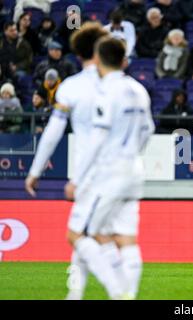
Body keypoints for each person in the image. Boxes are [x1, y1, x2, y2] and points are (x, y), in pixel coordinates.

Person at [25, 22, 129, 301]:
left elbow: (53, 132)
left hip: (88, 172)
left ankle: (118, 290)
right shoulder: (120, 84)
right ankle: (76, 293)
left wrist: (35, 170)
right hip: (121, 169)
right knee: (93, 234)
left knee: (80, 235)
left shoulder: (71, 87)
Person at [63, 35, 154, 299]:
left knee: (77, 234)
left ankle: (117, 291)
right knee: (125, 238)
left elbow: (96, 140)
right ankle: (129, 293)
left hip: (110, 172)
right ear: (123, 60)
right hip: (134, 171)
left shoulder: (106, 91)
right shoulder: (139, 89)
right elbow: (148, 130)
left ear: (99, 59)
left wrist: (76, 179)